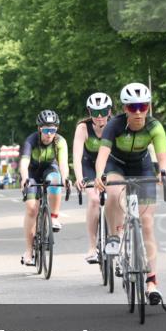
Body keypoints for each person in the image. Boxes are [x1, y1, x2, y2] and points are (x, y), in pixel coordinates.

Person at [94, 82, 166, 305]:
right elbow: (102, 155)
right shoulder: (114, 126)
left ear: (148, 107)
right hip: (116, 165)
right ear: (124, 109)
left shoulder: (155, 126)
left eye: (143, 106)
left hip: (143, 167)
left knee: (147, 223)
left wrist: (164, 172)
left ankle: (152, 283)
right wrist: (100, 174)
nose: (138, 112)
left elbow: (163, 158)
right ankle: (115, 235)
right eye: (132, 107)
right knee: (114, 189)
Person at [19, 110, 69, 266]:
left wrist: (66, 178)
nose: (49, 134)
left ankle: (53, 217)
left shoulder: (60, 142)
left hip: (50, 169)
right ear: (39, 128)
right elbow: (24, 163)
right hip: (32, 173)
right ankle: (28, 251)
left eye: (53, 130)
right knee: (32, 209)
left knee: (55, 179)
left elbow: (63, 164)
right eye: (46, 130)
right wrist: (25, 178)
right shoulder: (31, 141)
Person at [73, 92, 113, 264]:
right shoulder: (83, 128)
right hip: (89, 165)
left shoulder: (116, 125)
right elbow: (76, 155)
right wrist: (79, 177)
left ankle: (116, 238)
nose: (99, 117)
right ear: (89, 112)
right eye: (95, 112)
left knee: (115, 198)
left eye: (103, 111)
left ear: (109, 111)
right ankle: (91, 246)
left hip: (110, 164)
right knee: (95, 200)